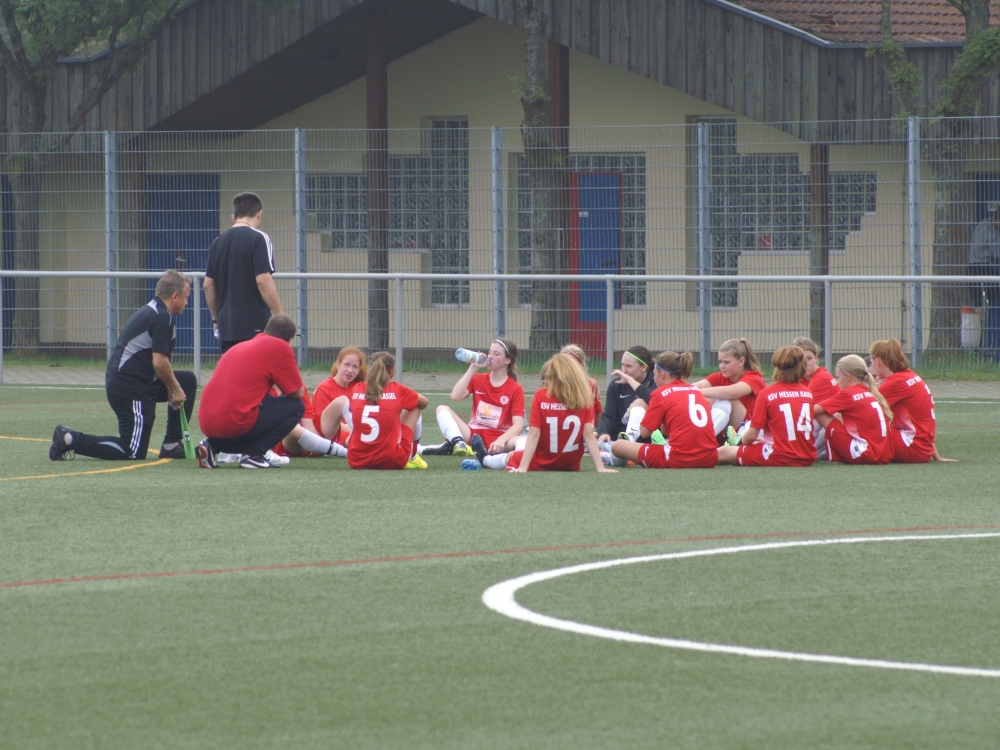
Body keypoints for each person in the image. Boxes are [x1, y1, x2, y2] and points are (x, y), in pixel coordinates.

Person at [49, 270, 198, 462]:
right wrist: (174, 389)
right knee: (132, 451)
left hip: (136, 383)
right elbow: (160, 363)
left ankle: (171, 445)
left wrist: (174, 385)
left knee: (187, 381)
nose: (187, 303)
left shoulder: (155, 311)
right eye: (186, 298)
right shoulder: (162, 317)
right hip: (130, 389)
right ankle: (68, 439)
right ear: (175, 296)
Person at [195, 314, 346, 469]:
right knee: (296, 406)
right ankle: (255, 454)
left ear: (266, 330)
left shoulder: (238, 347)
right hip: (236, 421)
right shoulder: (280, 347)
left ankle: (212, 446)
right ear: (289, 339)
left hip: (206, 423)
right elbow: (297, 393)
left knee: (248, 415)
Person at [473, 353, 616, 474]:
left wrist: (523, 467)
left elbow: (534, 434)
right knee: (519, 449)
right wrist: (600, 468)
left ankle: (486, 459)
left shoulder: (541, 396)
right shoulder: (584, 398)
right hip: (570, 465)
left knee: (511, 456)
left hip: (541, 461)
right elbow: (588, 435)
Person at [609, 351, 718, 470]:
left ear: (662, 373)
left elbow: (645, 432)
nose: (654, 378)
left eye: (654, 374)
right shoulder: (696, 391)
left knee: (617, 445)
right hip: (710, 458)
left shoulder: (660, 393)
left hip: (677, 459)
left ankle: (608, 457)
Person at [204, 192, 283, 353]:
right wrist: (281, 315)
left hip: (227, 327)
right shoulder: (259, 238)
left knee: (233, 374)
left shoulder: (217, 242)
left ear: (234, 216)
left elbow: (208, 285)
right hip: (256, 326)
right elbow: (263, 280)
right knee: (257, 374)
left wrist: (216, 319)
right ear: (259, 213)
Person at [322, 352, 429, 471]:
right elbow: (424, 402)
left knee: (349, 408)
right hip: (392, 461)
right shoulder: (397, 389)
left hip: (356, 460)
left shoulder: (357, 388)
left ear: (369, 369)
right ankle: (412, 456)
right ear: (392, 372)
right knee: (415, 406)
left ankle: (331, 442)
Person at [423, 338, 525, 458]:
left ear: (507, 360)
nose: (490, 356)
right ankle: (458, 443)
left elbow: (518, 425)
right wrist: (472, 368)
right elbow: (455, 396)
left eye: (496, 354)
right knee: (442, 409)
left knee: (524, 441)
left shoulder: (515, 388)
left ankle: (506, 459)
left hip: (499, 438)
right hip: (473, 436)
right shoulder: (478, 379)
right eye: (490, 352)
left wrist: (501, 440)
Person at [717, 346, 816, 467]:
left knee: (723, 452)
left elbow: (751, 437)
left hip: (779, 456)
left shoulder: (767, 393)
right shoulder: (807, 393)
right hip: (807, 456)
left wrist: (740, 442)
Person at [869, 338, 956, 463]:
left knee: (863, 423)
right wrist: (935, 455)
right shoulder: (910, 376)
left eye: (871, 363)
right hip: (921, 448)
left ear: (877, 362)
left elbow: (863, 407)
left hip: (912, 448)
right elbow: (921, 423)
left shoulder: (895, 382)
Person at [813, 354, 894, 466]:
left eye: (839, 376)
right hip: (883, 454)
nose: (837, 381)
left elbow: (812, 411)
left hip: (864, 453)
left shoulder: (848, 393)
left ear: (848, 377)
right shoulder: (869, 392)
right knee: (836, 415)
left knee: (821, 414)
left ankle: (808, 449)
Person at [692, 338, 766, 442]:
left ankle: (701, 440)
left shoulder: (754, 378)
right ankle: (696, 438)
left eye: (726, 362)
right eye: (720, 362)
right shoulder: (720, 377)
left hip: (750, 430)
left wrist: (695, 392)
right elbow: (697, 385)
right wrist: (682, 391)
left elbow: (731, 392)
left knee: (726, 399)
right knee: (704, 399)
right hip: (729, 430)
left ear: (741, 361)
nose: (722, 366)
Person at [596, 347, 655, 444]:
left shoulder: (655, 382)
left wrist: (630, 381)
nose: (623, 370)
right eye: (622, 365)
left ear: (643, 367)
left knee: (639, 402)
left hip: (647, 439)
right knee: (596, 435)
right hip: (619, 437)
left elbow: (656, 399)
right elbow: (609, 416)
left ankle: (629, 441)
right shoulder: (616, 385)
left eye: (628, 366)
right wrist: (604, 432)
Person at [792, 336, 838, 459]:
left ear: (816, 358)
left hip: (835, 428)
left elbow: (804, 412)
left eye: (809, 358)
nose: (805, 364)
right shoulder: (802, 378)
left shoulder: (820, 378)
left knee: (810, 417)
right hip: (827, 429)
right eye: (800, 360)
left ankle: (805, 451)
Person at [316, 347, 367, 445]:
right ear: (338, 365)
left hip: (357, 431)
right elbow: (325, 423)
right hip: (333, 435)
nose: (350, 370)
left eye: (355, 367)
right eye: (346, 365)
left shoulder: (359, 388)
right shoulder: (324, 388)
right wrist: (359, 430)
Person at [560, 344, 603, 433]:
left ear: (581, 366)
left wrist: (602, 434)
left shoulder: (592, 384)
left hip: (585, 435)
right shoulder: (554, 385)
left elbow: (598, 415)